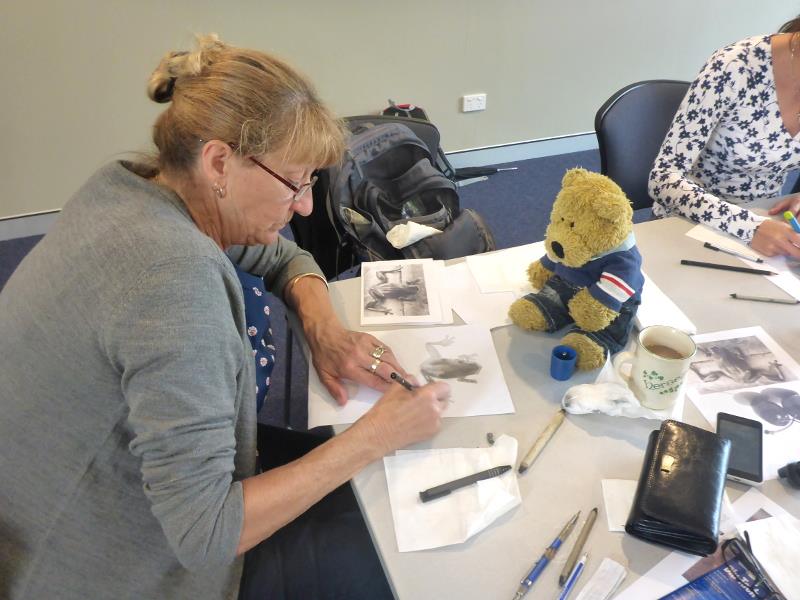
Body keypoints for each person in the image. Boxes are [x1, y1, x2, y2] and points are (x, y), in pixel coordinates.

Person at [0, 34, 450, 600]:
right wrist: (377, 435)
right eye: (297, 181)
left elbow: (282, 253)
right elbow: (208, 532)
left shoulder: (134, 187)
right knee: (402, 558)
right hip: (105, 562)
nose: (307, 206)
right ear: (219, 162)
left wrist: (323, 328)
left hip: (59, 495)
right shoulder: (172, 284)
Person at [649, 15, 800, 258]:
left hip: (770, 222)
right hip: (689, 222)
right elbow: (663, 179)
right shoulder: (734, 65)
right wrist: (749, 227)